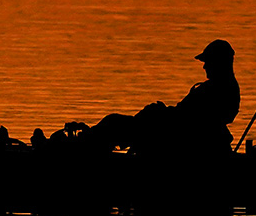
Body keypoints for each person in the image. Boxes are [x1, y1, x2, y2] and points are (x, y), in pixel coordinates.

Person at [82, 39, 241, 155]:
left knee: (114, 122)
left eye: (208, 62)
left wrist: (159, 113)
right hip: (173, 133)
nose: (204, 66)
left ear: (219, 63)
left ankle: (84, 150)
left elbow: (185, 119)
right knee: (117, 121)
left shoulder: (215, 90)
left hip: (174, 138)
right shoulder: (220, 88)